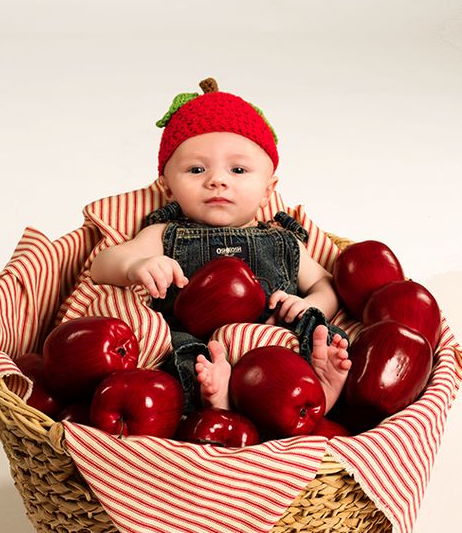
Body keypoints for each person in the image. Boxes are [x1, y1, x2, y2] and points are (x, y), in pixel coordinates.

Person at [90, 78, 351, 418]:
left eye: (238, 169)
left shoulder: (284, 242)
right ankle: (215, 402)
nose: (217, 179)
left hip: (272, 354)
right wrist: (135, 267)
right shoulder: (164, 234)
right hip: (200, 343)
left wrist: (306, 304)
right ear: (168, 188)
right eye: (197, 169)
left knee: (317, 335)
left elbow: (326, 284)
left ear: (268, 189)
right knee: (176, 352)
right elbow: (101, 264)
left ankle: (320, 393)